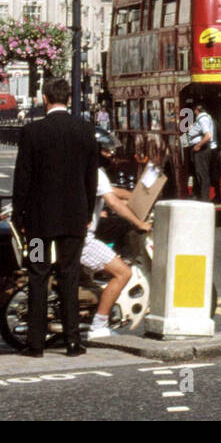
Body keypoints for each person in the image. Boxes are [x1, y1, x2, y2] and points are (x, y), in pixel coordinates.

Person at [11, 76, 100, 358]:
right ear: (69, 99)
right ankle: (73, 342)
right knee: (69, 275)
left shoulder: (32, 132)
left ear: (44, 98)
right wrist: (86, 214)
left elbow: (22, 178)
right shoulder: (85, 131)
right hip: (74, 220)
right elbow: (91, 179)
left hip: (38, 224)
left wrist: (18, 214)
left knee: (38, 274)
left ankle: (36, 343)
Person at [82, 138, 152, 341]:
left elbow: (109, 191)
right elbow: (112, 201)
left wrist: (134, 196)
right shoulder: (95, 172)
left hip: (63, 236)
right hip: (82, 239)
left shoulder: (80, 168)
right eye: (107, 152)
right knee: (123, 272)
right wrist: (139, 223)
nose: (111, 156)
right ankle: (99, 325)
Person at [183, 99, 217, 200]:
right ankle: (200, 196)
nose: (193, 111)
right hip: (201, 148)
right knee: (199, 173)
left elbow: (208, 136)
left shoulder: (203, 119)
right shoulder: (202, 119)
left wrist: (198, 146)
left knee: (202, 174)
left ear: (197, 110)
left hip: (202, 149)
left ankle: (204, 199)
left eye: (194, 109)